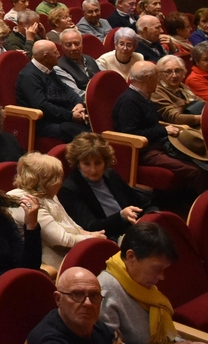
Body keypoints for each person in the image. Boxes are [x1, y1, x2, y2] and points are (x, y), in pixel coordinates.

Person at [98, 222, 202, 344]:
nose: (162, 277)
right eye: (157, 269)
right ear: (131, 257)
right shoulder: (104, 292)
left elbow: (163, 336)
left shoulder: (140, 282)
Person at [114, 61, 208, 195]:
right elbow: (131, 133)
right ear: (149, 79)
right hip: (144, 151)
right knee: (196, 170)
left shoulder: (144, 96)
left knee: (202, 160)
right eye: (157, 76)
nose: (159, 80)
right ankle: (199, 206)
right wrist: (163, 130)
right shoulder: (129, 101)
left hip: (160, 143)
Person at [8, 151, 104, 269]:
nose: (60, 182)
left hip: (72, 249)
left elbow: (69, 223)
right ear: (44, 181)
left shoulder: (47, 193)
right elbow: (61, 240)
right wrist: (92, 239)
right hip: (49, 260)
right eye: (57, 177)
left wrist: (89, 234)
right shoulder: (24, 201)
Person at [58, 132, 153, 240]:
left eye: (98, 163)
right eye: (87, 164)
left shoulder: (110, 174)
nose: (93, 170)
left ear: (105, 161)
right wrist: (121, 216)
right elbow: (91, 227)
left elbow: (142, 204)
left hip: (132, 229)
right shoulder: (69, 190)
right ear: (78, 163)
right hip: (109, 238)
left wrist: (148, 216)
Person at [22, 266, 124, 344]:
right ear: (58, 299)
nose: (88, 303)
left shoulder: (98, 327)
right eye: (77, 294)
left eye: (94, 295)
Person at [17, 40, 91, 143]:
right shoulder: (29, 76)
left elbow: (66, 89)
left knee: (91, 121)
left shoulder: (48, 68)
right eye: (55, 52)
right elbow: (42, 106)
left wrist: (78, 103)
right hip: (44, 122)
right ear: (46, 57)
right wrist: (70, 116)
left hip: (61, 115)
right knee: (84, 135)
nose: (59, 55)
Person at [152, 54, 204, 126]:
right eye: (168, 72)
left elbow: (201, 102)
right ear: (159, 74)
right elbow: (175, 118)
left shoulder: (181, 86)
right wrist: (203, 118)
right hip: (179, 128)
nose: (174, 75)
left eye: (177, 71)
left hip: (195, 122)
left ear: (183, 72)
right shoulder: (156, 91)